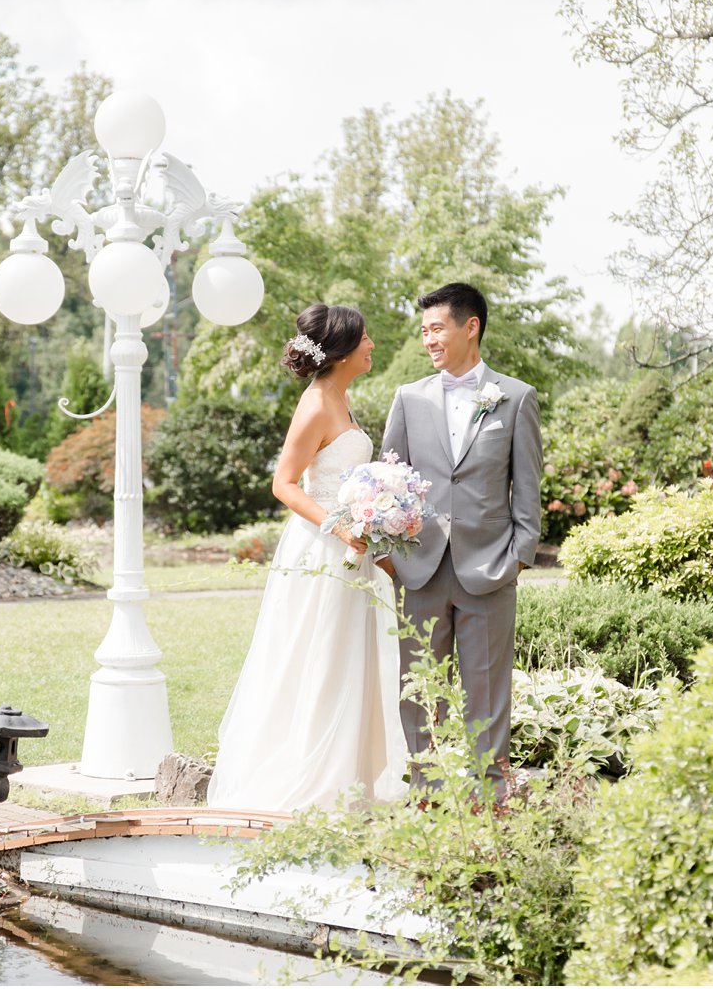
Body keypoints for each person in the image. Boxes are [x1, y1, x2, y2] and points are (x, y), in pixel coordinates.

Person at [207, 303, 408, 812]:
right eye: (365, 338)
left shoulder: (342, 397)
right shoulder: (317, 402)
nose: (372, 345)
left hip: (353, 548)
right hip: (323, 548)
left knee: (351, 658)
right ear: (341, 351)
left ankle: (352, 780)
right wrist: (338, 525)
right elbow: (284, 483)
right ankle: (314, 783)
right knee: (320, 656)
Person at [379, 282, 543, 793]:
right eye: (424, 330)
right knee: (420, 687)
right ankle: (426, 791)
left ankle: (489, 795)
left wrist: (519, 556)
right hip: (420, 567)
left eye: (436, 329)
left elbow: (528, 486)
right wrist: (390, 557)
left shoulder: (516, 398)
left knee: (487, 687)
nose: (428, 340)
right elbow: (389, 478)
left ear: (470, 327)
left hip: (491, 568)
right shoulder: (408, 398)